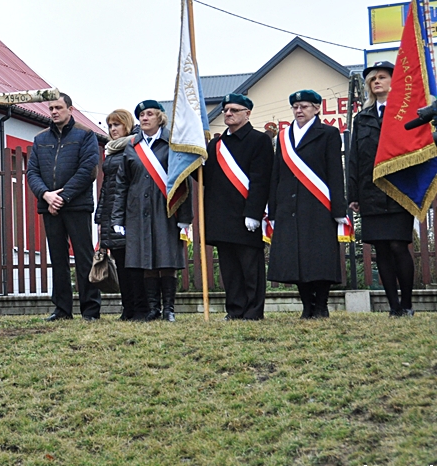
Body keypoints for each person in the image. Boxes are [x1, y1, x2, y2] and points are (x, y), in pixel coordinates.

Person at [268, 90, 348, 318]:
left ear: (316, 108)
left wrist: (338, 208)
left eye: (303, 106)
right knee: (296, 259)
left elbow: (334, 173)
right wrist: (273, 209)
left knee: (320, 257)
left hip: (318, 205)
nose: (298, 110)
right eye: (295, 107)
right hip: (289, 206)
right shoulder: (284, 136)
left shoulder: (329, 133)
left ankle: (321, 305)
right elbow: (277, 173)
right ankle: (307, 306)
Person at [111, 101, 192, 322]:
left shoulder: (172, 144)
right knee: (145, 260)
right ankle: (153, 309)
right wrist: (118, 217)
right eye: (141, 115)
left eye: (149, 114)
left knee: (167, 259)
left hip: (166, 210)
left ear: (160, 118)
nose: (144, 118)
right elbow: (122, 184)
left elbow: (184, 182)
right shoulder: (132, 146)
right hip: (137, 211)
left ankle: (169, 309)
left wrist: (185, 217)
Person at [348, 61, 416, 317]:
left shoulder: (407, 113)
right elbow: (354, 158)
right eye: (372, 79)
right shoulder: (362, 118)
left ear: (393, 81)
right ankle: (393, 307)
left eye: (382, 77)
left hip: (399, 190)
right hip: (371, 192)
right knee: (382, 250)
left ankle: (408, 305)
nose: (377, 81)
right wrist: (353, 195)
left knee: (399, 246)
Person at [27, 93, 101, 321]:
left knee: (84, 257)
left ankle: (90, 310)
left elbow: (88, 169)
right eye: (51, 108)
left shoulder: (86, 134)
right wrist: (46, 195)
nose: (54, 112)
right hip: (49, 206)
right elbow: (32, 172)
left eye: (58, 107)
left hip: (77, 206)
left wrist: (63, 197)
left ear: (70, 109)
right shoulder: (40, 139)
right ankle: (62, 310)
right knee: (57, 258)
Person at [201, 94, 273, 320]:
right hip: (221, 214)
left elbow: (261, 180)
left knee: (251, 267)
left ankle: (253, 311)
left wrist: (253, 212)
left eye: (234, 110)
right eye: (226, 110)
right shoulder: (217, 144)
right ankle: (234, 310)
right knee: (229, 269)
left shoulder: (259, 140)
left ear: (247, 113)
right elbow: (208, 178)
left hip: (245, 215)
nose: (228, 114)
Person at [95, 109, 147, 321]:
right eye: (110, 126)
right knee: (121, 264)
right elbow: (106, 187)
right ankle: (128, 308)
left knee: (133, 264)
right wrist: (100, 217)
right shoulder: (111, 150)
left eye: (117, 125)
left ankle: (140, 308)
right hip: (110, 213)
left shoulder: (134, 146)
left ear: (127, 125)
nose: (113, 129)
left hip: (127, 214)